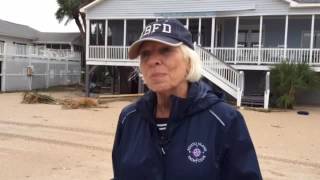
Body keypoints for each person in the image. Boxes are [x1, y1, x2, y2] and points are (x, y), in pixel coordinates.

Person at [112, 19, 262, 180]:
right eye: (145, 54)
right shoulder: (129, 118)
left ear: (189, 62)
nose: (153, 60)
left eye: (165, 50)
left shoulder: (224, 120)